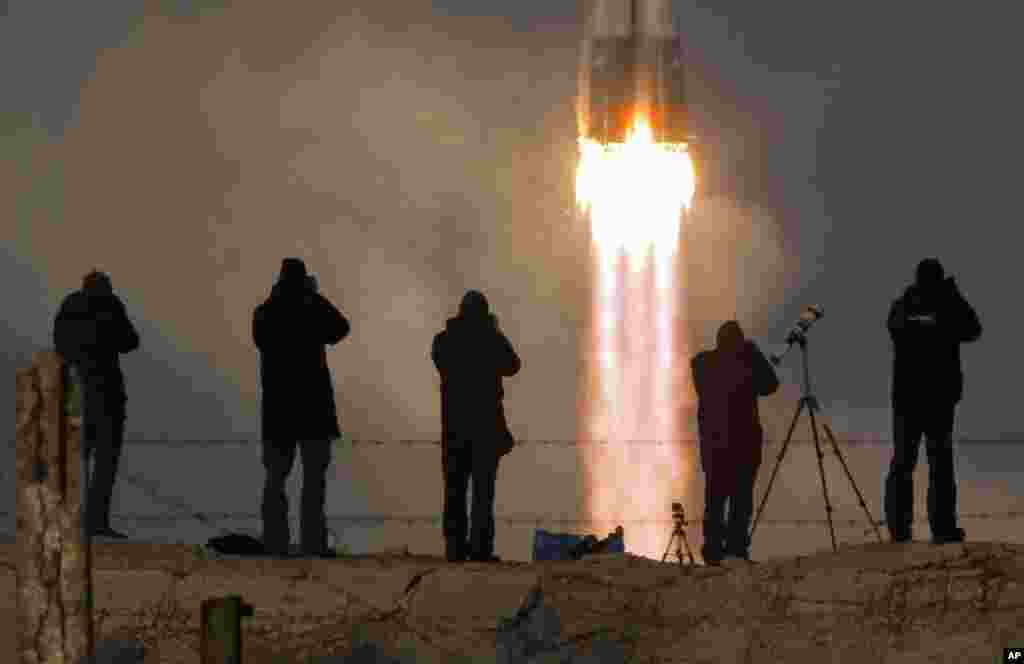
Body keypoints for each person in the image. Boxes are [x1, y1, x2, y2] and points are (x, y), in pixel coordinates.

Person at [253, 258, 350, 557]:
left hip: (279, 410)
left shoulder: (266, 311)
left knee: (275, 479)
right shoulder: (311, 307)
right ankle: (312, 543)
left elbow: (261, 337)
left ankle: (275, 540)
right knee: (313, 482)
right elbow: (341, 328)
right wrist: (314, 296)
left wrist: (280, 295)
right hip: (313, 409)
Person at [885, 258, 981, 545]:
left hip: (911, 397)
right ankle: (941, 528)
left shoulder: (905, 304)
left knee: (906, 462)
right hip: (936, 397)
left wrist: (945, 306)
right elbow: (971, 328)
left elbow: (972, 330)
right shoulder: (940, 304)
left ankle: (901, 529)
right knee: (937, 462)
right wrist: (950, 300)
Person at [432, 290, 521, 563]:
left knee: (454, 491)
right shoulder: (491, 339)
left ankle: (455, 548)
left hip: (454, 429)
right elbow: (513, 365)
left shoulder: (444, 340)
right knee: (483, 494)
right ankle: (481, 549)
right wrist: (495, 331)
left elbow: (440, 361)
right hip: (485, 430)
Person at [53, 269, 140, 538]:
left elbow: (60, 345)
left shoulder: (71, 306)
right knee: (105, 462)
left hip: (79, 392)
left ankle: (73, 520)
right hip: (107, 393)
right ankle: (96, 521)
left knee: (79, 460)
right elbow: (130, 341)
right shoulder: (110, 306)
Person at [690, 321, 779, 565]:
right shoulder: (746, 362)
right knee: (740, 500)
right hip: (743, 445)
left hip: (714, 447)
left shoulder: (703, 365)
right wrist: (754, 353)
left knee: (715, 500)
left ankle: (713, 552)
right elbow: (771, 384)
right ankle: (736, 551)